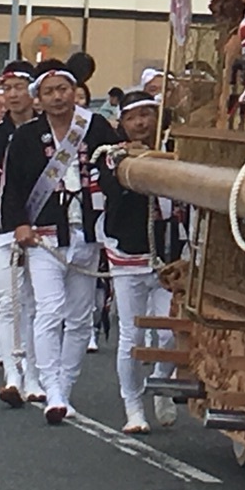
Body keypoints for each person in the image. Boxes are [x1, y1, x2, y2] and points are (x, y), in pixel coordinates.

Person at [1, 63, 119, 424]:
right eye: (49, 91)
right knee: (50, 310)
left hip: (88, 233)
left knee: (81, 317)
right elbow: (13, 186)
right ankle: (50, 387)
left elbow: (116, 169)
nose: (57, 97)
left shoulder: (96, 128)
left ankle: (65, 387)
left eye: (63, 89)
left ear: (75, 91)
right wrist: (19, 224)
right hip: (45, 237)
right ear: (39, 97)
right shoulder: (26, 137)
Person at [94, 89, 188, 434]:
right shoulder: (112, 155)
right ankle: (133, 406)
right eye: (133, 117)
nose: (140, 123)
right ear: (122, 122)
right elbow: (111, 185)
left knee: (168, 331)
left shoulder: (176, 149)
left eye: (147, 114)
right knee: (131, 336)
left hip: (168, 255)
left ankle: (160, 383)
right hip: (129, 252)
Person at [0, 59, 43, 403]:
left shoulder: (50, 131)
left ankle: (35, 373)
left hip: (43, 225)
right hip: (2, 225)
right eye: (8, 88)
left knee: (35, 302)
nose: (14, 94)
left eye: (20, 87)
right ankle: (12, 373)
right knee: (8, 300)